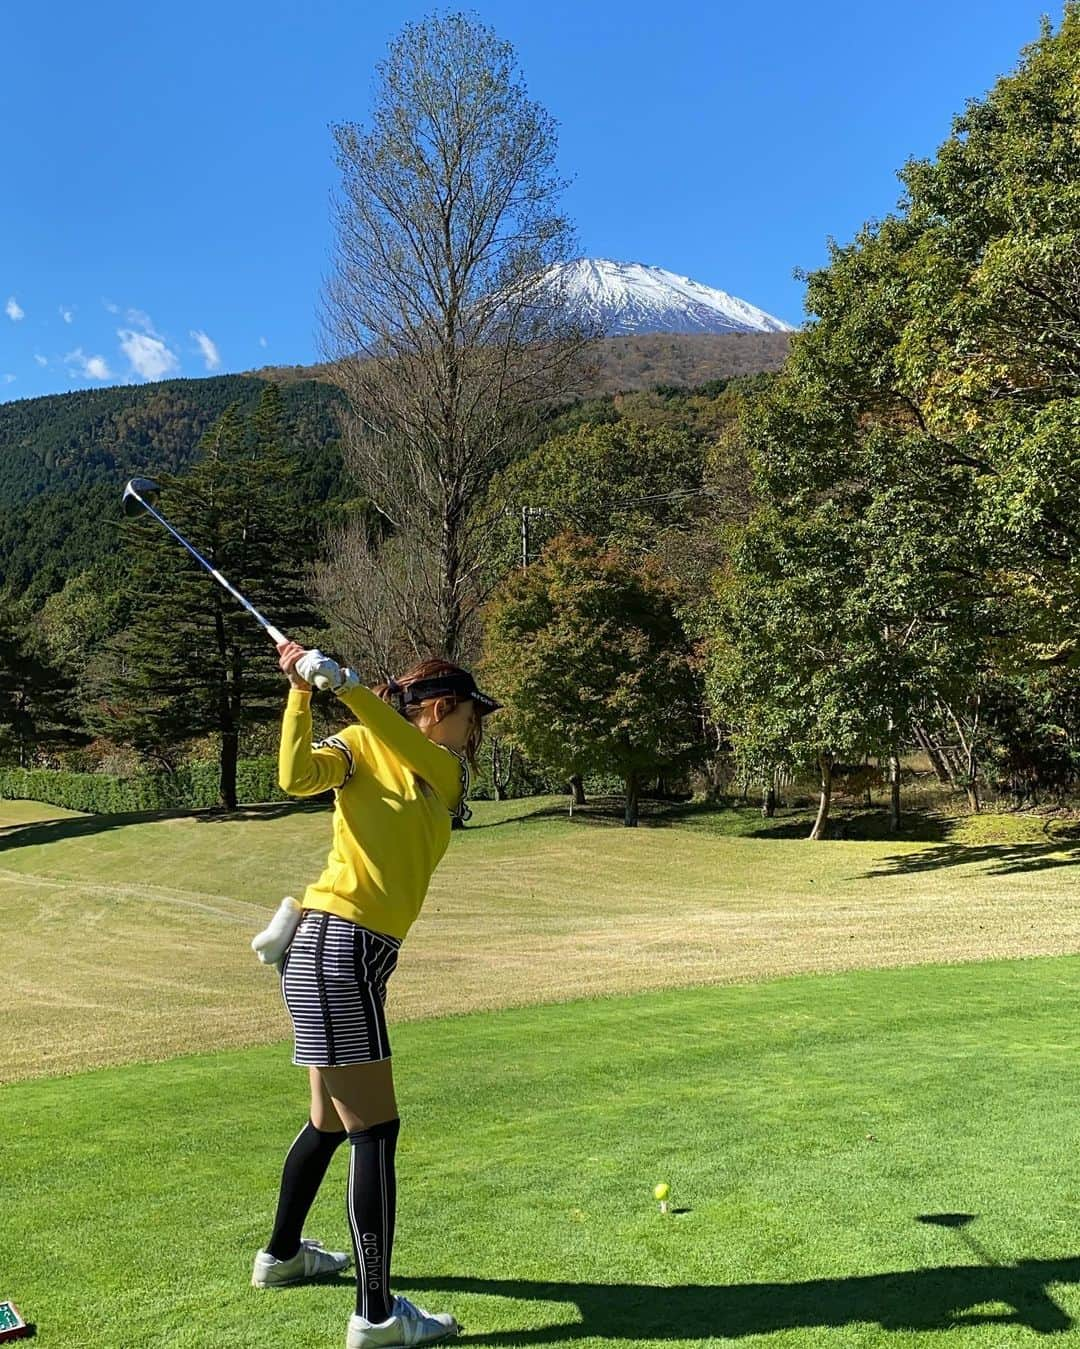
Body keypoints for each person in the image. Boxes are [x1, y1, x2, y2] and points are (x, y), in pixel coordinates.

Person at [251, 641, 500, 1349]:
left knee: (332, 1121)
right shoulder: (360, 740)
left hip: (340, 953)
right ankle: (377, 1313)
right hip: (339, 948)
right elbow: (296, 774)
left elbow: (396, 737)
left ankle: (282, 1256)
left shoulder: (441, 770)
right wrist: (302, 690)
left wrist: (348, 685)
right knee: (374, 1130)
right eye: (470, 717)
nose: (474, 732)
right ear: (440, 709)